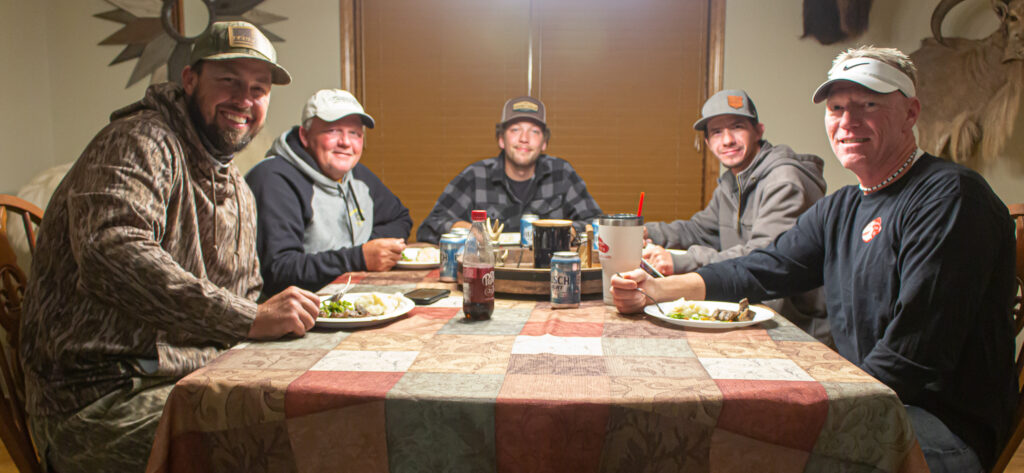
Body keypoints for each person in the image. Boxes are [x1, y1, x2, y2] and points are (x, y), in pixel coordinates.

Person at [611, 46, 1016, 473]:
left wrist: (814, 413)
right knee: (705, 431)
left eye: (869, 104)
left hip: (939, 425)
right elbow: (764, 266)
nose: (847, 122)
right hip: (874, 398)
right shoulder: (841, 207)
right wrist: (657, 289)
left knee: (738, 453)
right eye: (837, 107)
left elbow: (911, 359)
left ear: (910, 112)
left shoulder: (949, 198)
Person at [19, 21, 322, 473]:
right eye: (229, 81)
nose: (245, 99)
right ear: (190, 80)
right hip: (99, 401)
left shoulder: (235, 184)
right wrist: (250, 319)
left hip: (189, 378)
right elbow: (112, 253)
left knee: (319, 412)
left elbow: (243, 295)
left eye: (259, 89)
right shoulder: (140, 140)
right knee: (284, 444)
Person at [643, 89, 830, 342]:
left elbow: (764, 257)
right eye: (717, 132)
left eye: (737, 127)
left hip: (798, 328)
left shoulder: (785, 181)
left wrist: (679, 262)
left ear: (759, 131)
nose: (727, 140)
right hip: (756, 313)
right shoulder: (733, 182)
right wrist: (644, 232)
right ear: (708, 143)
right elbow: (699, 230)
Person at [246, 89, 412, 296]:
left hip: (351, 299)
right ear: (305, 136)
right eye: (333, 131)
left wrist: (369, 249)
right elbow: (278, 271)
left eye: (355, 133)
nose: (345, 142)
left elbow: (400, 218)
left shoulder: (357, 175)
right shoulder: (273, 179)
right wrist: (358, 257)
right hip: (292, 315)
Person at [416, 96, 602, 243]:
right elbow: (429, 227)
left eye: (534, 131)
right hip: (488, 276)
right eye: (515, 130)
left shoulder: (562, 173)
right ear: (501, 140)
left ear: (544, 142)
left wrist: (566, 230)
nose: (524, 138)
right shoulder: (475, 176)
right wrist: (466, 228)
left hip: (548, 276)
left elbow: (596, 223)